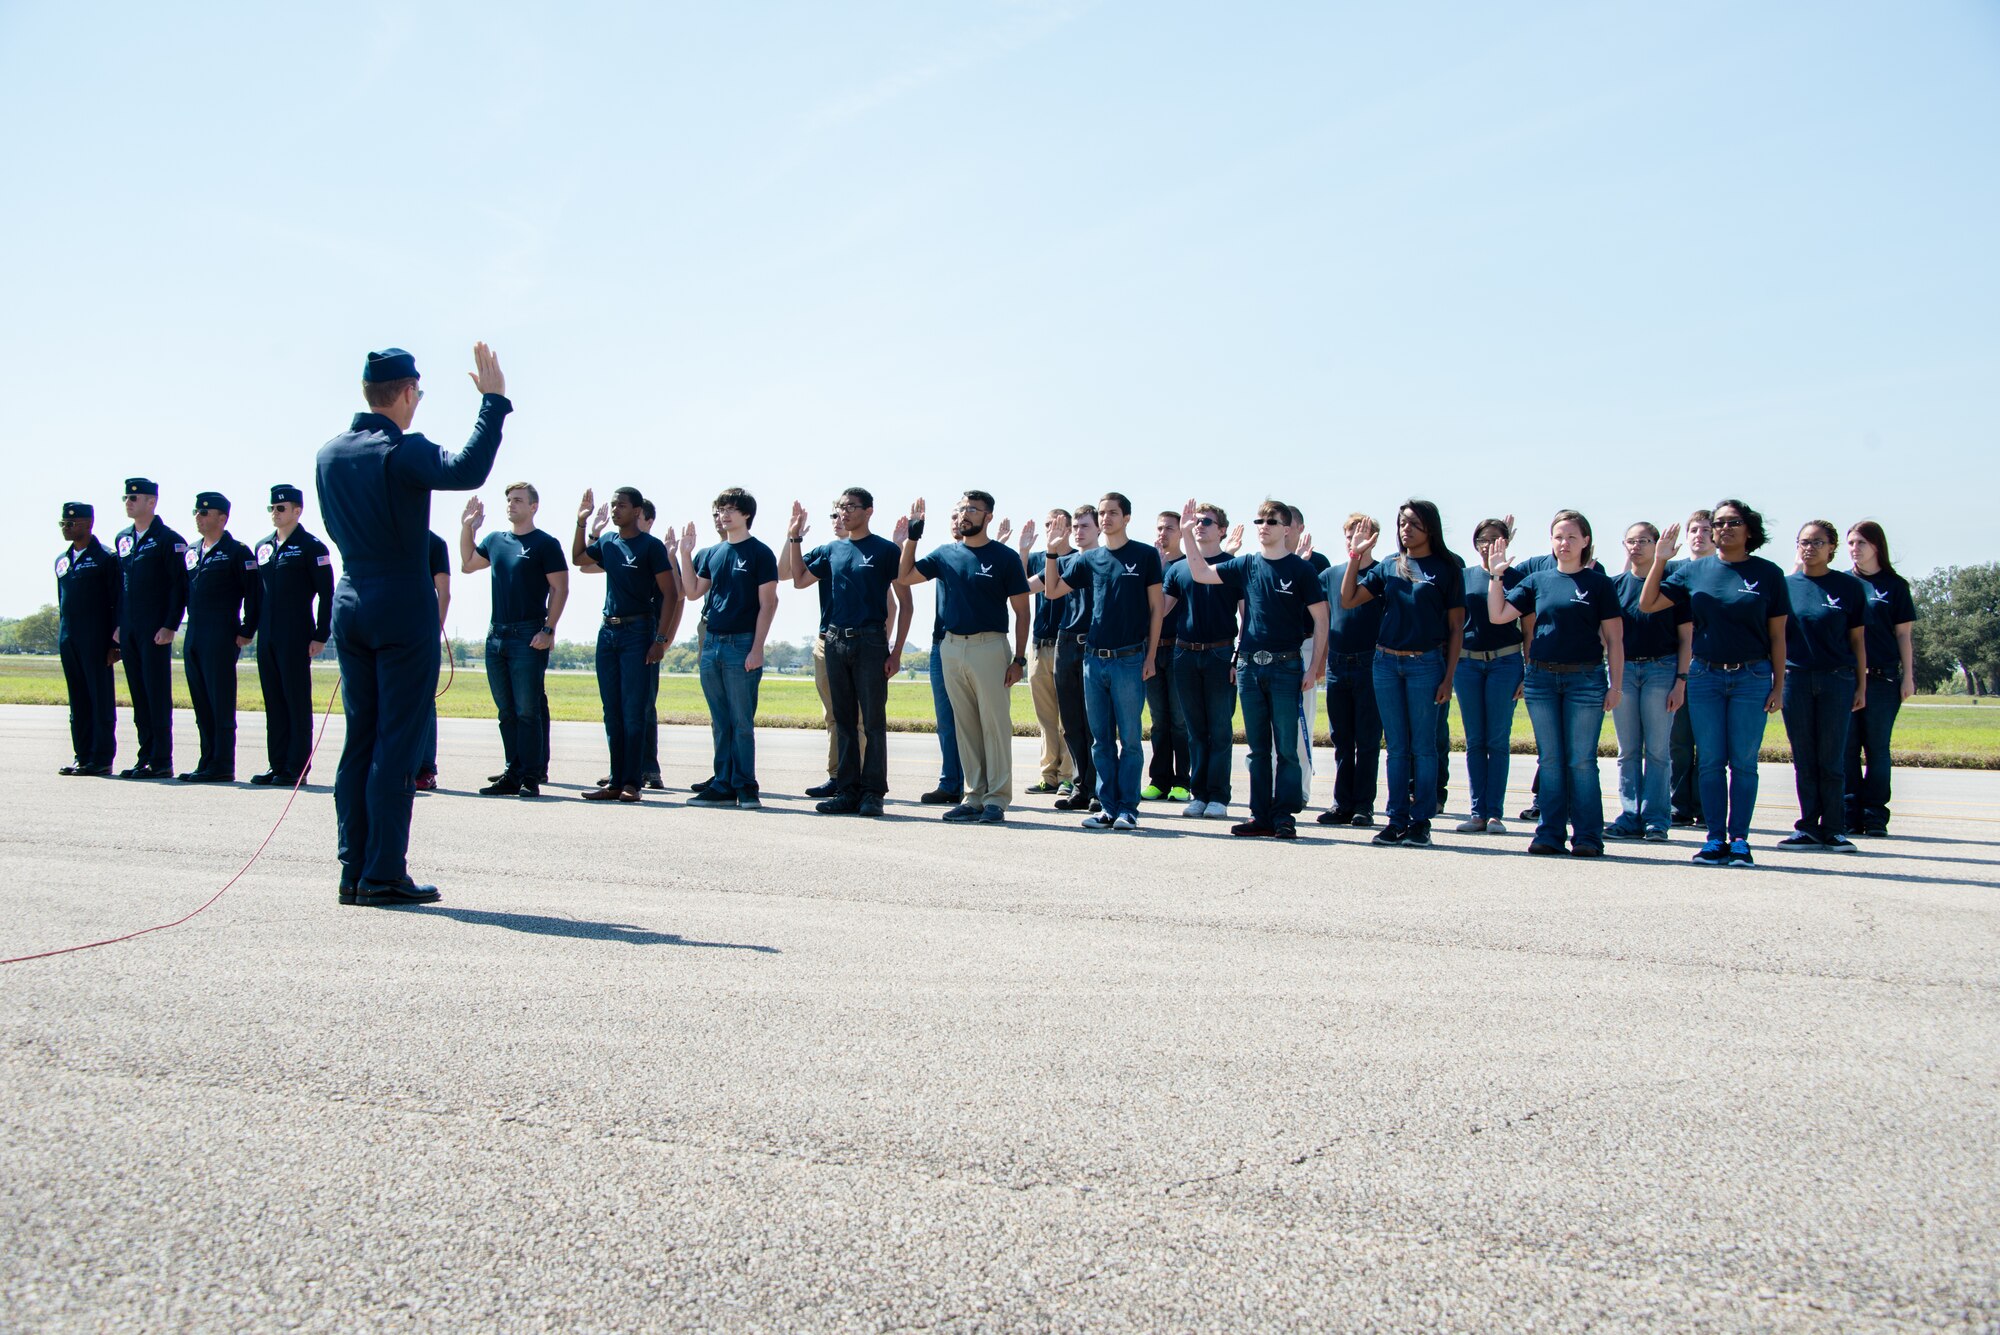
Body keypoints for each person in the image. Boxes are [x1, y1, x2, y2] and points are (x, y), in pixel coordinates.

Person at [315, 343, 510, 906]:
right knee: (396, 744)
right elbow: (467, 468)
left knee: (361, 738)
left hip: (350, 597)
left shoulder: (329, 453)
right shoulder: (399, 450)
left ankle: (353, 869)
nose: (418, 403)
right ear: (405, 393)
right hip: (400, 598)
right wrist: (493, 404)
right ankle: (383, 872)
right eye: (418, 393)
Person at [1638, 498, 1788, 868]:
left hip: (1751, 677)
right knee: (1710, 762)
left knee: (1744, 762)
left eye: (1732, 522)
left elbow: (1778, 637)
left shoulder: (1768, 574)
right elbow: (1648, 603)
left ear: (1749, 530)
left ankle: (1739, 841)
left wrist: (1779, 685)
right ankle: (1714, 839)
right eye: (1717, 523)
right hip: (1705, 676)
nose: (1723, 529)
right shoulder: (1696, 571)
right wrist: (1660, 558)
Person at [1180, 498, 1326, 839]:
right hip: (1249, 667)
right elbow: (1201, 573)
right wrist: (1187, 534)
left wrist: (1314, 668)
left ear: (1286, 529)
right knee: (1258, 748)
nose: (1264, 526)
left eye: (1272, 521)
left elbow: (1321, 619)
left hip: (1287, 667)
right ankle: (1260, 815)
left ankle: (1284, 815)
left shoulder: (1300, 570)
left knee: (1286, 748)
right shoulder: (1245, 565)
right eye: (1260, 520)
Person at [1487, 511, 1624, 855]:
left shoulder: (1599, 584)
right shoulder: (1539, 580)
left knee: (1580, 760)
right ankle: (1549, 833)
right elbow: (1498, 614)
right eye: (1558, 537)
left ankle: (1589, 836)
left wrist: (1616, 685)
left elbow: (1615, 639)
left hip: (1586, 680)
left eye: (1571, 537)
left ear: (1586, 541)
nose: (1564, 543)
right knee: (1550, 760)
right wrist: (1495, 574)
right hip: (1541, 679)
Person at [897, 492, 1032, 823]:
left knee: (994, 726)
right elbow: (906, 576)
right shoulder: (945, 554)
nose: (963, 516)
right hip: (951, 647)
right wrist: (913, 536)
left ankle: (997, 799)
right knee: (965, 727)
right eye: (959, 510)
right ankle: (973, 797)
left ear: (988, 516)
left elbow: (1022, 611)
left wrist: (1019, 659)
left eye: (972, 510)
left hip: (990, 646)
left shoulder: (1004, 557)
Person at [1341, 499, 1464, 847]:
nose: (1404, 529)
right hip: (1385, 663)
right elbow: (1348, 599)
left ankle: (1420, 821)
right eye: (1401, 523)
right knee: (1396, 748)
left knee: (1423, 748)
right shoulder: (1391, 566)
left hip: (1426, 665)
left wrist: (1449, 677)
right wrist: (1355, 555)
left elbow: (1457, 628)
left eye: (1412, 523)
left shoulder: (1448, 567)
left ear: (1430, 527)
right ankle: (1396, 819)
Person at [1044, 493, 1165, 831]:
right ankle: (1107, 808)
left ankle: (1128, 809)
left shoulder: (1144, 555)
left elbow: (1156, 609)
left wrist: (1151, 655)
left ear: (1127, 517)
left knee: (1129, 739)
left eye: (1113, 513)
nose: (1106, 518)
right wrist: (1053, 549)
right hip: (1092, 661)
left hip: (1129, 659)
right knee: (1101, 740)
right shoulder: (1090, 559)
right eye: (1102, 513)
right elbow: (1052, 590)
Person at [790, 488, 910, 817]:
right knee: (843, 720)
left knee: (872, 722)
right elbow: (799, 580)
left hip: (870, 641)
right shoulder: (832, 549)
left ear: (869, 511)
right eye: (841, 507)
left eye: (851, 507)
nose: (844, 512)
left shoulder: (886, 550)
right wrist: (795, 539)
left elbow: (906, 603)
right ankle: (847, 790)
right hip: (835, 640)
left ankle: (873, 793)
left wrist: (896, 651)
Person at [461, 481, 568, 798]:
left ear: (534, 506)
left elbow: (560, 589)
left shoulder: (545, 544)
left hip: (528, 635)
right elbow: (468, 565)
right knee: (506, 711)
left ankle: (531, 775)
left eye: (518, 500)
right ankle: (512, 771)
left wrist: (548, 630)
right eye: (509, 500)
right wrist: (468, 527)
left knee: (527, 709)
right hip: (497, 635)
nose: (512, 504)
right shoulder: (495, 540)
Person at [573, 487, 677, 803]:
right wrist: (581, 522)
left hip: (638, 632)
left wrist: (660, 640)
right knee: (611, 710)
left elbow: (670, 594)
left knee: (634, 711)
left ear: (636, 510)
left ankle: (633, 782)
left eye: (621, 505)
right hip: (608, 633)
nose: (615, 509)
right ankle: (615, 781)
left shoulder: (651, 546)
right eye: (613, 504)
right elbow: (578, 558)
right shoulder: (607, 542)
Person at [678, 488, 780, 809]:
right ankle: (723, 784)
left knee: (742, 722)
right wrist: (684, 553)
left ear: (746, 514)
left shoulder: (760, 553)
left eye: (732, 509)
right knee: (720, 721)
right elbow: (692, 591)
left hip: (742, 645)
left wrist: (757, 648)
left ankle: (746, 786)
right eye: (722, 509)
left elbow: (769, 603)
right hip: (712, 644)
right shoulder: (713, 553)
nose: (725, 515)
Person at [1779, 521, 1867, 851]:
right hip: (1795, 679)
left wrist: (1860, 684)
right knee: (1804, 757)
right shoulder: (1785, 586)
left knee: (1832, 758)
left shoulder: (1849, 588)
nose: (1809, 548)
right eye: (1804, 542)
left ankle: (1834, 829)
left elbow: (1857, 641)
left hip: (1837, 679)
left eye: (1817, 543)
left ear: (1832, 547)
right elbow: (1776, 638)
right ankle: (1808, 826)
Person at [1605, 522, 1690, 841]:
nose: (1637, 546)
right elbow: (1607, 638)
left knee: (1657, 750)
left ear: (1657, 545)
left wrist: (1680, 681)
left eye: (1644, 540)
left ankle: (1656, 818)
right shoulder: (1614, 586)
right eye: (1631, 541)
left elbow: (1686, 638)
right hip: (1624, 673)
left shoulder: (1672, 587)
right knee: (1628, 751)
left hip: (1662, 670)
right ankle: (1630, 815)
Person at [1162, 501, 1242, 818]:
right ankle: (1199, 794)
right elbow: (1160, 611)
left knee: (1220, 730)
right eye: (1195, 521)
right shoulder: (1179, 569)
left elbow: (1246, 616)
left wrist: (1239, 656)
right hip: (1185, 653)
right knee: (1195, 730)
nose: (1199, 525)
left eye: (1207, 521)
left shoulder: (1233, 566)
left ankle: (1219, 796)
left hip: (1222, 653)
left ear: (1221, 530)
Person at [251, 485, 334, 786]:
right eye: (272, 508)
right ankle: (278, 764)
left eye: (281, 508)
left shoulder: (312, 547)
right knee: (273, 701)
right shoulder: (263, 547)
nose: (275, 513)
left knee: (296, 701)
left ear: (297, 511)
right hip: (267, 636)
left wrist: (321, 634)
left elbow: (327, 593)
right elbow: (256, 593)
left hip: (296, 634)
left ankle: (296, 767)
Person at [178, 491, 260, 783]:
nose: (198, 518)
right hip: (195, 633)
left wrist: (248, 629)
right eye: (196, 513)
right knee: (201, 702)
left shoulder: (238, 551)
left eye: (204, 513)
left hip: (222, 631)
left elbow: (254, 593)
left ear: (222, 518)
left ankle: (223, 763)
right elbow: (181, 592)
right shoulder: (191, 551)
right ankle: (207, 760)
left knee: (220, 701)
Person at [1844, 521, 1917, 837]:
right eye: (1850, 543)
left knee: (1877, 749)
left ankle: (1874, 815)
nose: (1855, 548)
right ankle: (1848, 812)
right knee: (1846, 748)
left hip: (1883, 680)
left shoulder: (1895, 586)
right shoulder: (1842, 583)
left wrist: (1908, 677)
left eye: (1861, 542)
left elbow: (1903, 635)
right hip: (1845, 679)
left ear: (1876, 546)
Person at [112, 477, 188, 779]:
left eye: (135, 498)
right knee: (139, 695)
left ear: (151, 502)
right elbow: (121, 586)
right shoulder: (123, 539)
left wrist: (170, 625)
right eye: (126, 498)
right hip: (129, 627)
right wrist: (118, 624)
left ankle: (161, 760)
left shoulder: (169, 539)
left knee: (156, 694)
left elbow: (178, 587)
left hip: (155, 629)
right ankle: (145, 756)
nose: (129, 503)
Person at [1453, 518, 1524, 834]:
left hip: (1505, 664)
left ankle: (1494, 812)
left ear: (1507, 542)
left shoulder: (1519, 578)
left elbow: (1530, 628)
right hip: (1467, 665)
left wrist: (1528, 670)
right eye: (1483, 538)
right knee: (1474, 740)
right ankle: (1477, 812)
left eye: (1496, 538)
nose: (1489, 543)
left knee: (1497, 739)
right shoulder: (1463, 577)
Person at [1318, 512, 1384, 827]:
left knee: (1368, 740)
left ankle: (1363, 806)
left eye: (1363, 534)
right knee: (1341, 739)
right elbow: (1322, 620)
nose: (1354, 540)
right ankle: (1341, 803)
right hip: (1337, 664)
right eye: (1349, 534)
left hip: (1372, 663)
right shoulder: (1331, 575)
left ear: (1374, 539)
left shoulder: (1384, 574)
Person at [54, 501, 120, 776]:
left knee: (98, 699)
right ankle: (82, 755)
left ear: (88, 524)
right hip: (69, 638)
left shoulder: (106, 558)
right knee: (78, 699)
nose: (66, 528)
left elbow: (118, 602)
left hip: (96, 639)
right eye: (63, 524)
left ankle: (101, 758)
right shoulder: (62, 560)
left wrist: (115, 643)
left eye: (71, 523)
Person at [1044, 503, 1100, 812]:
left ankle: (1099, 789)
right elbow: (1049, 590)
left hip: (1095, 644)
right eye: (1075, 527)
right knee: (1072, 722)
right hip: (1066, 643)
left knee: (1096, 723)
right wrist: (1051, 553)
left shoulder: (1106, 560)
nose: (1078, 532)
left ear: (1099, 529)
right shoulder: (1068, 561)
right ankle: (1081, 786)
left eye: (1084, 526)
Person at [1668, 509, 1717, 827]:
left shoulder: (1724, 572)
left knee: (1710, 745)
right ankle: (1678, 804)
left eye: (1706, 529)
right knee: (1680, 742)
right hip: (1679, 667)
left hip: (1716, 667)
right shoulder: (1673, 572)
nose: (1699, 535)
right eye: (1694, 530)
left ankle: (1704, 804)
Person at [1023, 508, 1076, 797]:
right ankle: (1048, 776)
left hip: (1066, 645)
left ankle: (1068, 775)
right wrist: (1023, 548)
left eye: (1056, 524)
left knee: (1068, 717)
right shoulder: (1036, 560)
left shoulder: (1077, 559)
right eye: (1046, 524)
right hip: (1039, 645)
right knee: (1045, 718)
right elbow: (1018, 587)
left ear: (1068, 528)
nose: (1050, 529)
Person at [1141, 509, 1191, 802]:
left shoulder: (1188, 565)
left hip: (1178, 649)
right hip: (1152, 649)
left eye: (1169, 528)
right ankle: (1159, 780)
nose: (1163, 533)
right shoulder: (1150, 564)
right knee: (1158, 720)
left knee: (1179, 720)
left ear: (1180, 532)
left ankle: (1182, 782)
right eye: (1159, 528)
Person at [413, 532, 450, 790]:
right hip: (385, 632)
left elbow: (444, 593)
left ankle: (426, 768)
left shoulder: (433, 543)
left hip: (420, 635)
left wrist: (432, 632)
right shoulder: (385, 534)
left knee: (423, 701)